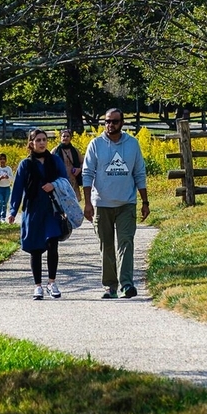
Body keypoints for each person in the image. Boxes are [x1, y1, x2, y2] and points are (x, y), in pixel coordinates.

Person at [81, 108, 148, 299]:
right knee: (106, 245)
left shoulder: (132, 144)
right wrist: (88, 203)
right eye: (107, 122)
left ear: (122, 122)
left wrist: (145, 201)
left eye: (114, 121)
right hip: (102, 204)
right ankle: (110, 286)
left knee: (126, 243)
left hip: (126, 203)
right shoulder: (96, 145)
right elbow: (87, 174)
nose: (110, 125)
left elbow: (139, 173)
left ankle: (127, 284)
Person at [9, 129, 68, 299]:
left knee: (52, 244)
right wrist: (13, 210)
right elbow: (18, 188)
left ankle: (52, 282)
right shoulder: (25, 164)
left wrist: (54, 184)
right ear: (31, 143)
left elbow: (64, 181)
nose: (42, 143)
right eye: (38, 140)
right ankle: (38, 286)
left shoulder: (55, 161)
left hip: (52, 209)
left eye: (44, 140)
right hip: (33, 210)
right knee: (35, 249)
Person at [53, 128, 82, 193]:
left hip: (73, 180)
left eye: (67, 136)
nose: (65, 138)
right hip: (60, 180)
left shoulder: (75, 151)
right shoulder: (55, 151)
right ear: (60, 138)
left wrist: (79, 169)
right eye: (64, 136)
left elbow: (83, 163)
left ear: (70, 138)